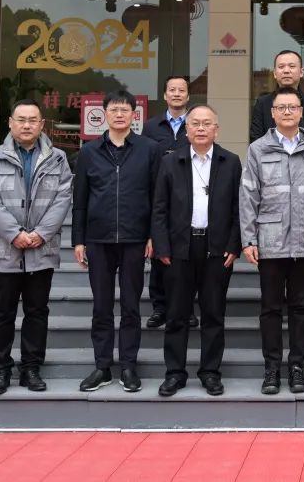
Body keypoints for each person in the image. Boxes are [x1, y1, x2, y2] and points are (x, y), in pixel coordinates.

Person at [0, 99, 73, 396]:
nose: (27, 125)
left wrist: (41, 234)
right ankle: (0, 370)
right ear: (10, 122)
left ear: (42, 124)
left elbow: (63, 198)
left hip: (41, 250)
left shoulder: (58, 158)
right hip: (5, 249)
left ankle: (31, 368)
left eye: (33, 120)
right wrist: (14, 234)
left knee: (37, 311)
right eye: (21, 119)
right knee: (2, 312)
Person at [240, 86, 304, 395]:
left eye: (293, 107)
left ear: (302, 112)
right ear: (273, 113)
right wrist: (248, 238)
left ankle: (296, 366)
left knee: (301, 308)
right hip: (270, 241)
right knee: (270, 309)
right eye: (282, 108)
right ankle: (271, 368)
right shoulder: (258, 149)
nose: (287, 112)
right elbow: (248, 196)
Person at [72, 90, 161, 393]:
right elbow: (80, 200)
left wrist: (153, 235)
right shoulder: (89, 151)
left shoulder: (149, 149)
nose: (120, 114)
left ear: (134, 115)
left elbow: (157, 197)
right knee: (101, 306)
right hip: (98, 239)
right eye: (114, 109)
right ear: (105, 114)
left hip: (136, 239)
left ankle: (128, 366)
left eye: (125, 110)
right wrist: (79, 240)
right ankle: (102, 366)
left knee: (131, 306)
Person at [151, 105, 242, 397]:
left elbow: (239, 208)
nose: (201, 128)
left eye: (207, 123)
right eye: (195, 124)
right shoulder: (170, 161)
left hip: (217, 249)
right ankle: (174, 373)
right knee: (176, 314)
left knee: (213, 314)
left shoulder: (231, 162)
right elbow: (159, 208)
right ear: (186, 130)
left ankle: (210, 372)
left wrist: (234, 245)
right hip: (179, 247)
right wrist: (161, 246)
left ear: (216, 129)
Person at [142, 75, 198, 331]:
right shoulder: (151, 127)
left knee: (187, 258)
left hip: (190, 198)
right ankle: (160, 308)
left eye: (181, 90)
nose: (176, 94)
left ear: (188, 95)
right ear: (165, 95)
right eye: (172, 90)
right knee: (159, 255)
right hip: (158, 196)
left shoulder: (196, 123)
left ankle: (186, 309)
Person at [250, 50, 304, 143]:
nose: (286, 71)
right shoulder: (263, 103)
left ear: (301, 72)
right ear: (275, 73)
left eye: (292, 66)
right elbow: (256, 140)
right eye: (281, 67)